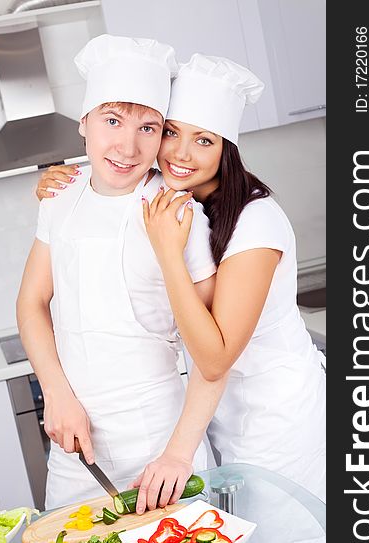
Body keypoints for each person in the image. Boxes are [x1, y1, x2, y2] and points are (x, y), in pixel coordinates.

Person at [36, 52, 326, 510]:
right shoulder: (177, 202)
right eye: (171, 133)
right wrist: (64, 182)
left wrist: (169, 252)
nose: (181, 153)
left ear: (226, 148)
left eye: (204, 140)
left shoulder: (254, 223)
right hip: (219, 414)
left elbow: (214, 357)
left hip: (276, 415)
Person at [17, 35, 219, 510]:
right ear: (83, 123)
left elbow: (215, 355)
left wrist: (178, 453)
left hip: (160, 444)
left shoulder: (177, 213)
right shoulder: (61, 196)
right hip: (74, 445)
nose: (127, 147)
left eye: (149, 128)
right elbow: (31, 302)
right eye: (112, 121)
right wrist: (56, 394)